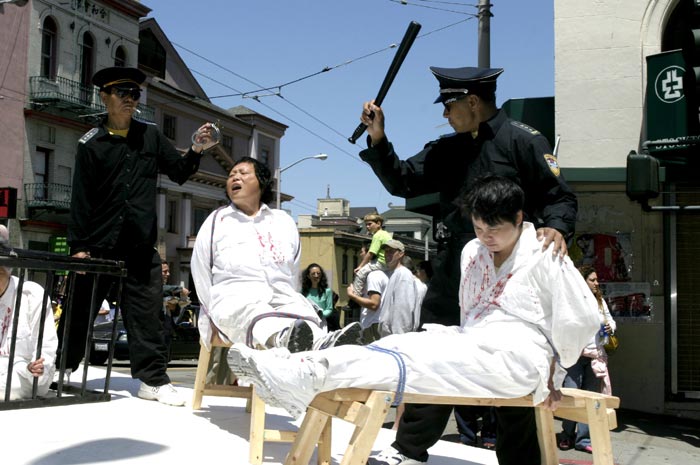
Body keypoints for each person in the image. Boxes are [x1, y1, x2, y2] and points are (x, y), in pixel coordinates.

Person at [226, 176, 599, 431]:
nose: (486, 237)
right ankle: (306, 368)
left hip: (521, 355)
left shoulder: (544, 252)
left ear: (519, 218)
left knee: (427, 360)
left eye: (495, 229)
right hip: (475, 341)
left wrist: (554, 375)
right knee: (403, 344)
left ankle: (308, 374)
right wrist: (464, 336)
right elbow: (470, 312)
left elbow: (580, 319)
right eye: (479, 227)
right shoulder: (472, 251)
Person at [358, 66, 578, 465]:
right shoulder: (448, 149)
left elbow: (558, 195)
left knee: (510, 365)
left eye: (449, 106)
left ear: (472, 102)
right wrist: (378, 137)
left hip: (507, 275)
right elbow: (403, 180)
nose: (445, 115)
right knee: (433, 355)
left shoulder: (523, 140)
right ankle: (408, 450)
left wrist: (557, 229)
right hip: (454, 270)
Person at [56, 66, 211, 407]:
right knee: (80, 310)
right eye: (122, 93)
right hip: (97, 246)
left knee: (147, 316)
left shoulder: (150, 136)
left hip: (140, 247)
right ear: (105, 97)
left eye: (135, 94)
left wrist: (197, 149)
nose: (130, 99)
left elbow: (179, 172)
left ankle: (153, 381)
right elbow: (81, 198)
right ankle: (62, 369)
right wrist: (78, 247)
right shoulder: (91, 143)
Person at [191, 157, 362, 356]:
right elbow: (200, 270)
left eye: (243, 173)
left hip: (282, 296)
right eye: (231, 175)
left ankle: (323, 343)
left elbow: (293, 272)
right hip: (234, 299)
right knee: (255, 314)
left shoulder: (283, 221)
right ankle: (283, 338)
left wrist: (289, 296)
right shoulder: (217, 221)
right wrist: (211, 312)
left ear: (262, 183)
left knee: (303, 313)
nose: (235, 178)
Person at [557, 265, 617, 454]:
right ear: (582, 281)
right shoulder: (570, 300)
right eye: (592, 280)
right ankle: (567, 434)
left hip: (595, 356)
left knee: (590, 398)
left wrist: (610, 327)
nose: (596, 283)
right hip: (575, 356)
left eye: (596, 280)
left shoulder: (599, 301)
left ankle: (583, 439)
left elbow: (610, 320)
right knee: (572, 395)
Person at [0, 225, 58, 401]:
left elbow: (46, 347)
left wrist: (36, 367)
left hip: (24, 374)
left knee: (10, 386)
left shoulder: (31, 294)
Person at [377, 240, 423, 338]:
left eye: (391, 251)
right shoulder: (395, 273)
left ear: (401, 254)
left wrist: (399, 337)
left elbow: (402, 310)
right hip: (389, 337)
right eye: (386, 251)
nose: (387, 254)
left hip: (396, 337)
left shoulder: (403, 275)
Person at [347, 242, 388, 344]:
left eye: (362, 252)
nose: (360, 255)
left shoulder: (374, 276)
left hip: (373, 324)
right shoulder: (383, 274)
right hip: (375, 323)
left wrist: (352, 296)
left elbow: (374, 304)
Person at [349, 213, 392, 296]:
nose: (367, 227)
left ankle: (355, 296)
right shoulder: (386, 234)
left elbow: (371, 253)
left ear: (378, 223)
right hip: (388, 262)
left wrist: (360, 266)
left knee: (360, 273)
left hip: (381, 262)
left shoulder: (378, 235)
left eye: (370, 224)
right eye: (366, 225)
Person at [301, 263, 339, 331]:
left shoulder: (327, 291)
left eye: (318, 273)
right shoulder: (303, 292)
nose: (316, 276)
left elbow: (329, 309)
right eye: (313, 274)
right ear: (308, 276)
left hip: (322, 324)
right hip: (307, 322)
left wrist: (321, 314)